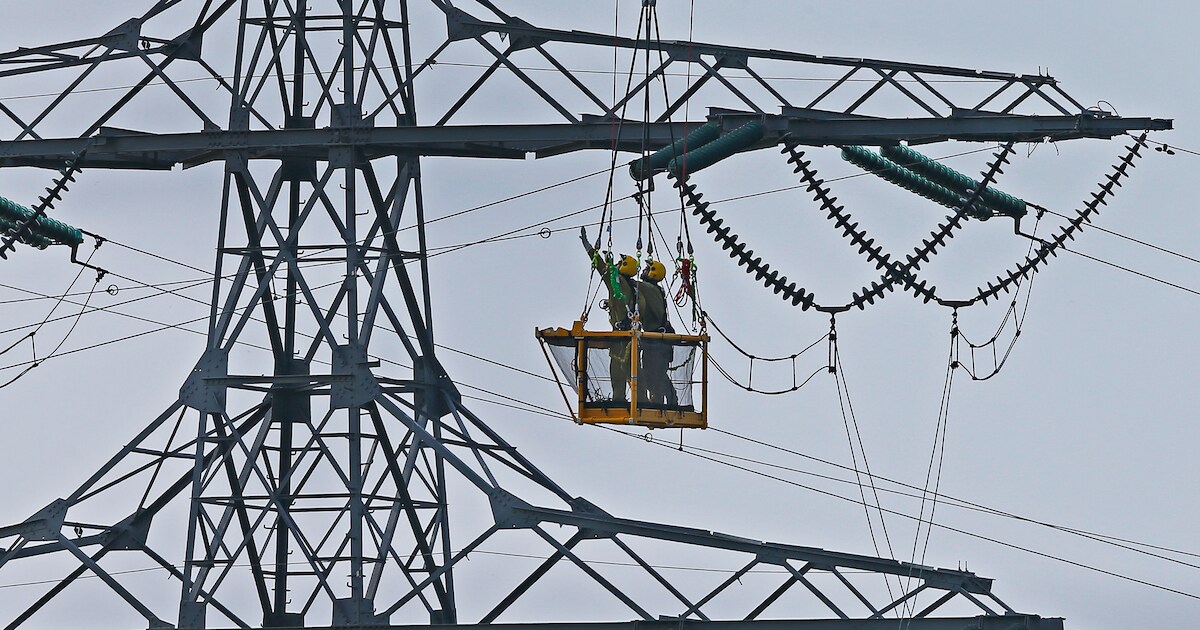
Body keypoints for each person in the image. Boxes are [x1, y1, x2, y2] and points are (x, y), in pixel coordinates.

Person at [581, 227, 638, 403]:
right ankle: (638, 398)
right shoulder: (634, 288)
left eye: (620, 263)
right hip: (630, 337)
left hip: (621, 338)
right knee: (632, 370)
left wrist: (589, 248)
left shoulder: (617, 284)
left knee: (618, 369)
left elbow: (601, 268)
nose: (617, 265)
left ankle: (620, 398)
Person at [637, 259, 678, 406]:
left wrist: (615, 273)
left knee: (656, 374)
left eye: (647, 269)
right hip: (656, 341)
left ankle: (667, 401)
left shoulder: (650, 289)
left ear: (653, 273)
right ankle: (662, 401)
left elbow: (632, 284)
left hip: (657, 342)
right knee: (654, 374)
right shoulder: (654, 289)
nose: (644, 271)